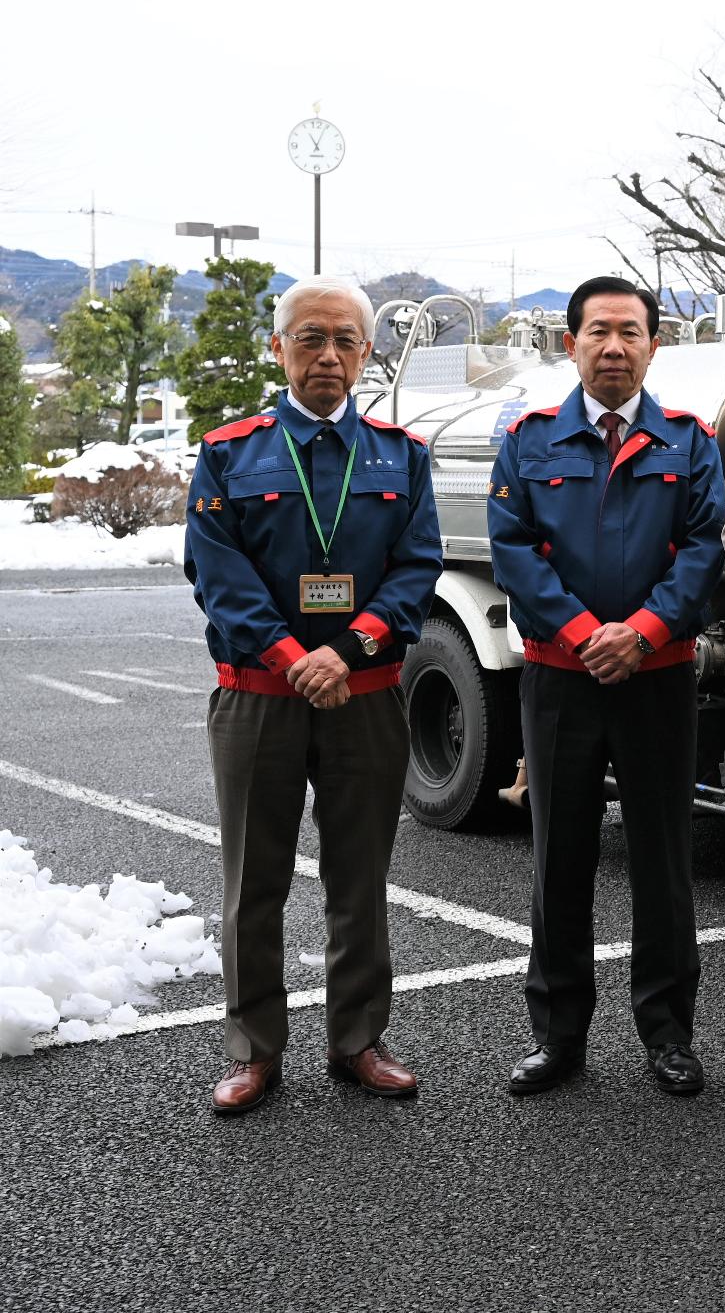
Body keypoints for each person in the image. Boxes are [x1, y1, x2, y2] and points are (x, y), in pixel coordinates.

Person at [185, 276, 443, 1115]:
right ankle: (254, 1050)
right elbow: (217, 575)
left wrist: (350, 647)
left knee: (359, 876)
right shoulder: (230, 451)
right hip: (259, 693)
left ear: (367, 352)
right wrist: (299, 653)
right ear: (279, 347)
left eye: (344, 340)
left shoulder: (401, 455)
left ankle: (358, 1038)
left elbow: (416, 567)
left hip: (364, 694)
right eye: (309, 338)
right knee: (253, 880)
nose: (327, 355)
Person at [488, 275, 725, 1097]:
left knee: (664, 860)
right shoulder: (530, 441)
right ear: (572, 344)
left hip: (657, 679)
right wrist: (589, 635)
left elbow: (704, 552)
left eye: (631, 332)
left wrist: (647, 631)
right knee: (561, 858)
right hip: (563, 680)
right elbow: (513, 551)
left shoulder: (690, 443)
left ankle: (668, 1034)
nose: (615, 346)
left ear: (655, 345)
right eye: (599, 332)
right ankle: (557, 1035)